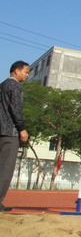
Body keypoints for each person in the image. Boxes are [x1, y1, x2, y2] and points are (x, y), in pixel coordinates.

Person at [0, 61, 30, 212]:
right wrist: (22, 129)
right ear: (16, 71)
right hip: (9, 132)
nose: (27, 75)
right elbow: (16, 109)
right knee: (5, 168)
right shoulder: (15, 86)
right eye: (25, 71)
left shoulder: (2, 85)